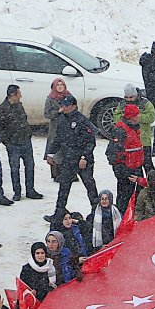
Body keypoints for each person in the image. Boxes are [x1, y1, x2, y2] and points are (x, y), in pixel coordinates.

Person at [43, 95, 100, 224]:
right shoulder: (62, 120)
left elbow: (90, 141)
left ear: (73, 106)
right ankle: (59, 213)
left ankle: (96, 212)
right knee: (64, 187)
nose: (64, 108)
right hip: (68, 159)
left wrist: (84, 157)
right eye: (63, 105)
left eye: (66, 105)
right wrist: (50, 153)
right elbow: (57, 138)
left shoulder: (82, 120)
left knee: (90, 186)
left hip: (82, 160)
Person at [0, 85, 40, 200]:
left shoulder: (19, 105)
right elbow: (0, 128)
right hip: (13, 143)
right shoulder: (2, 109)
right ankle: (17, 191)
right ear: (13, 95)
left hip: (25, 141)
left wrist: (28, 134)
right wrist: (7, 142)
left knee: (29, 166)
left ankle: (30, 189)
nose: (21, 96)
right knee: (15, 168)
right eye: (19, 93)